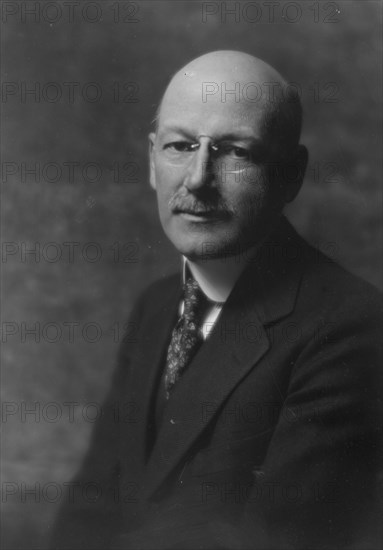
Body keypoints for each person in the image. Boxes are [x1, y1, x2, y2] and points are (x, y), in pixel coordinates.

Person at [51, 51, 382, 549]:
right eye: (181, 146)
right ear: (151, 160)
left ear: (291, 174)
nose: (198, 179)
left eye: (234, 152)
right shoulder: (157, 306)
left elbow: (273, 540)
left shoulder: (350, 326)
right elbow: (92, 505)